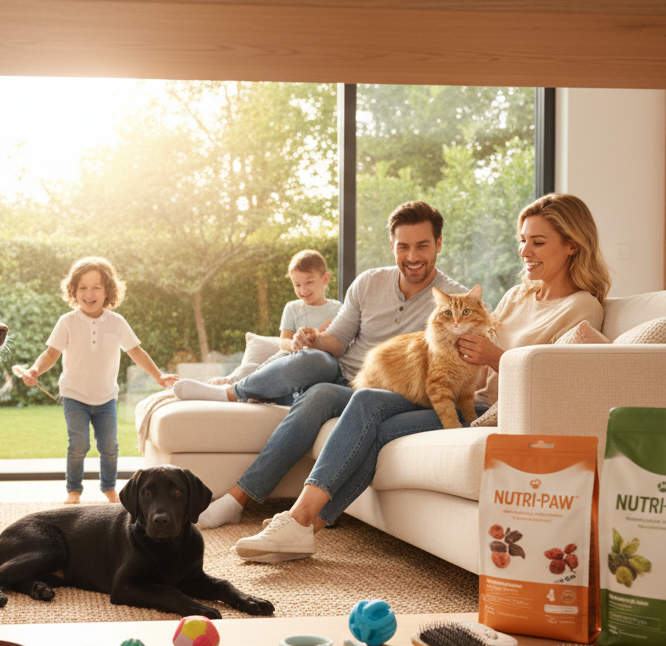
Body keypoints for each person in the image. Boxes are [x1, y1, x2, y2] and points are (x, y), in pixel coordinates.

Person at [232, 192, 612, 561]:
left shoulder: (582, 307)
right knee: (366, 402)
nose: (524, 252)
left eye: (538, 242)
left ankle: (300, 521)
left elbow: (559, 381)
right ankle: (303, 527)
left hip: (493, 410)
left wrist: (496, 357)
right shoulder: (517, 296)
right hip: (461, 395)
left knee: (370, 417)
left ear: (572, 245)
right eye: (522, 240)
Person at [196, 200, 468, 530]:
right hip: (344, 374)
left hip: (387, 391)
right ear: (392, 246)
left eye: (422, 246)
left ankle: (237, 498)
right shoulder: (369, 282)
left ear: (439, 243)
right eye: (403, 246)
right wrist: (313, 338)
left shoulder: (454, 301)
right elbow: (337, 340)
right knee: (312, 360)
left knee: (318, 396)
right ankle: (234, 392)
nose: (412, 257)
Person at [21, 257, 179, 504]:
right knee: (79, 444)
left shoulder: (116, 322)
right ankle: (73, 491)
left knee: (109, 446)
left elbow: (136, 351)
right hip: (74, 396)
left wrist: (158, 375)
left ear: (108, 291)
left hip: (106, 397)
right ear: (74, 291)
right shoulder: (67, 322)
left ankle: (109, 489)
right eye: (82, 287)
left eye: (96, 287)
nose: (89, 293)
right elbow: (51, 353)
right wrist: (34, 370)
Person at [172, 249, 343, 405]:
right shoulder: (292, 308)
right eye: (297, 285)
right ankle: (232, 385)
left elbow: (339, 344)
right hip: (290, 356)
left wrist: (319, 336)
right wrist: (293, 345)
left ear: (325, 279)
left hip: (316, 367)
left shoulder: (339, 310)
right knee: (263, 366)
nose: (303, 290)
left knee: (307, 367)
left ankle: (247, 391)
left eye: (309, 282)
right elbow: (283, 341)